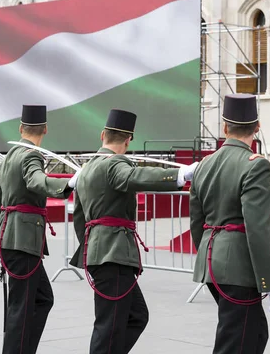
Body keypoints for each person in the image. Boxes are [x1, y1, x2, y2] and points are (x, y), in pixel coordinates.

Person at [69, 109, 198, 354]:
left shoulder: (86, 169)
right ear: (129, 139)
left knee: (135, 316)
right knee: (109, 327)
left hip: (101, 254)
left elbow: (79, 218)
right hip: (113, 254)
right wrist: (180, 174)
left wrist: (89, 250)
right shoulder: (115, 163)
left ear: (102, 135)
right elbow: (137, 176)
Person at [189, 94, 270, 354]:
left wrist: (209, 256)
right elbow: (257, 229)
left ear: (224, 127)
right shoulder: (256, 166)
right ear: (257, 127)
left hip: (212, 263)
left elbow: (197, 222)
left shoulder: (203, 165)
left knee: (254, 334)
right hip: (238, 267)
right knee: (236, 343)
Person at [0, 105, 76, 354]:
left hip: (12, 235)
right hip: (23, 239)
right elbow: (35, 180)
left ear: (20, 128)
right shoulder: (31, 155)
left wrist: (3, 230)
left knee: (41, 299)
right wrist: (67, 183)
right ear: (45, 129)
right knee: (22, 306)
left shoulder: (11, 154)